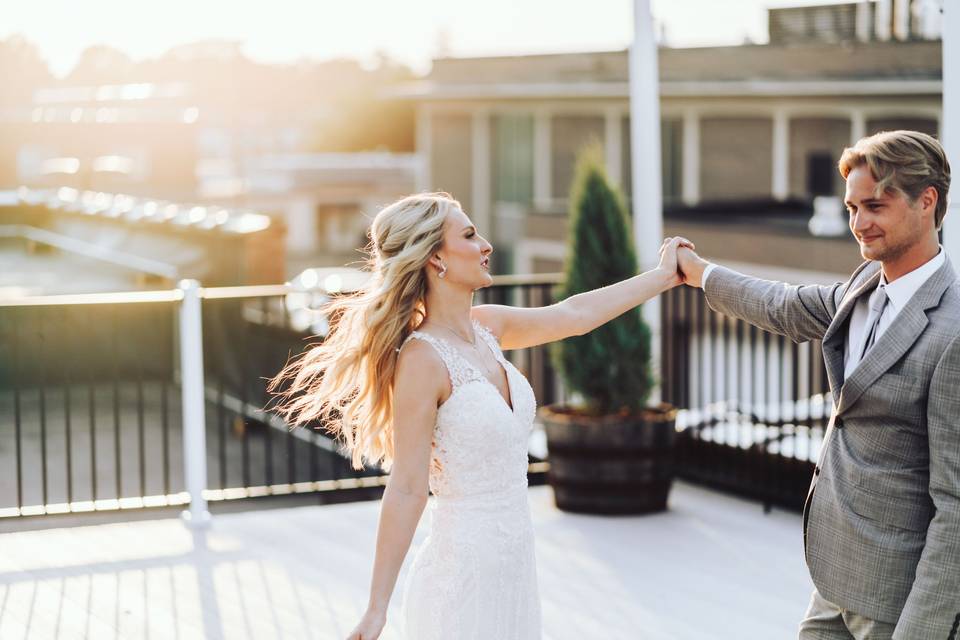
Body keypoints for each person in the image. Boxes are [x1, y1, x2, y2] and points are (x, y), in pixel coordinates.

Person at [269, 192, 689, 640]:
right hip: (459, 580)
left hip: (514, 568)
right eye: (469, 235)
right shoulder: (422, 360)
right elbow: (408, 487)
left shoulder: (488, 329)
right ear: (435, 258)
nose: (486, 244)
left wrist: (664, 277)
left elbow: (575, 314)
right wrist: (377, 608)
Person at [674, 130, 958, 639]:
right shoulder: (863, 288)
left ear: (926, 201)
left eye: (874, 206)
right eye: (851, 208)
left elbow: (956, 510)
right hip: (833, 578)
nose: (859, 224)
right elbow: (782, 305)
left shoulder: (953, 332)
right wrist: (700, 273)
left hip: (897, 603)